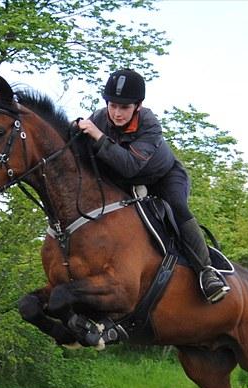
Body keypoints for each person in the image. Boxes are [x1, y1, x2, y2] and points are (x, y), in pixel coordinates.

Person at [77, 68, 230, 304]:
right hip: (126, 183)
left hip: (164, 177)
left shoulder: (150, 124)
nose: (117, 113)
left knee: (177, 207)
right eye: (112, 105)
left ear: (138, 106)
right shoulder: (98, 118)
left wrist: (97, 136)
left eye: (124, 107)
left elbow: (129, 166)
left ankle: (207, 271)